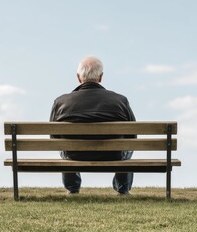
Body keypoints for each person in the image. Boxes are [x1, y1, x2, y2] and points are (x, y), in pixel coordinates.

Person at [49, 56, 136, 195]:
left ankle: (73, 189)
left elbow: (54, 137)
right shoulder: (120, 101)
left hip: (75, 155)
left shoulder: (61, 102)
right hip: (113, 154)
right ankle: (123, 189)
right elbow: (132, 135)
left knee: (64, 145)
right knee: (128, 144)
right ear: (101, 77)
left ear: (79, 77)